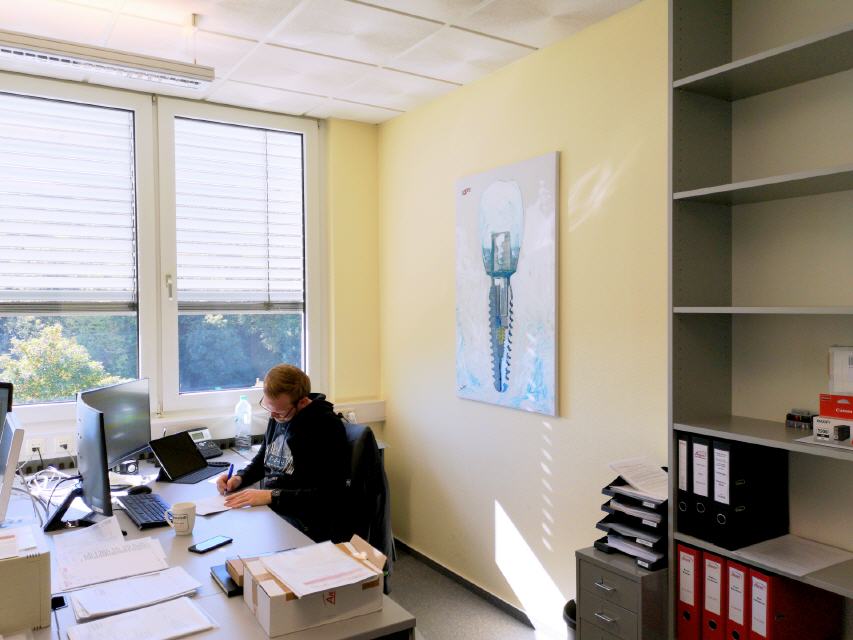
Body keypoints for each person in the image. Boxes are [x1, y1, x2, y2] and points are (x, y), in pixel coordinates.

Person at [217, 364, 349, 541]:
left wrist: (271, 496)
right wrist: (239, 478)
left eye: (279, 412)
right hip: (274, 509)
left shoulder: (326, 427)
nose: (273, 416)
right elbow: (263, 460)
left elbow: (328, 494)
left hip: (305, 521)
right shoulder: (278, 415)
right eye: (269, 408)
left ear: (302, 402)